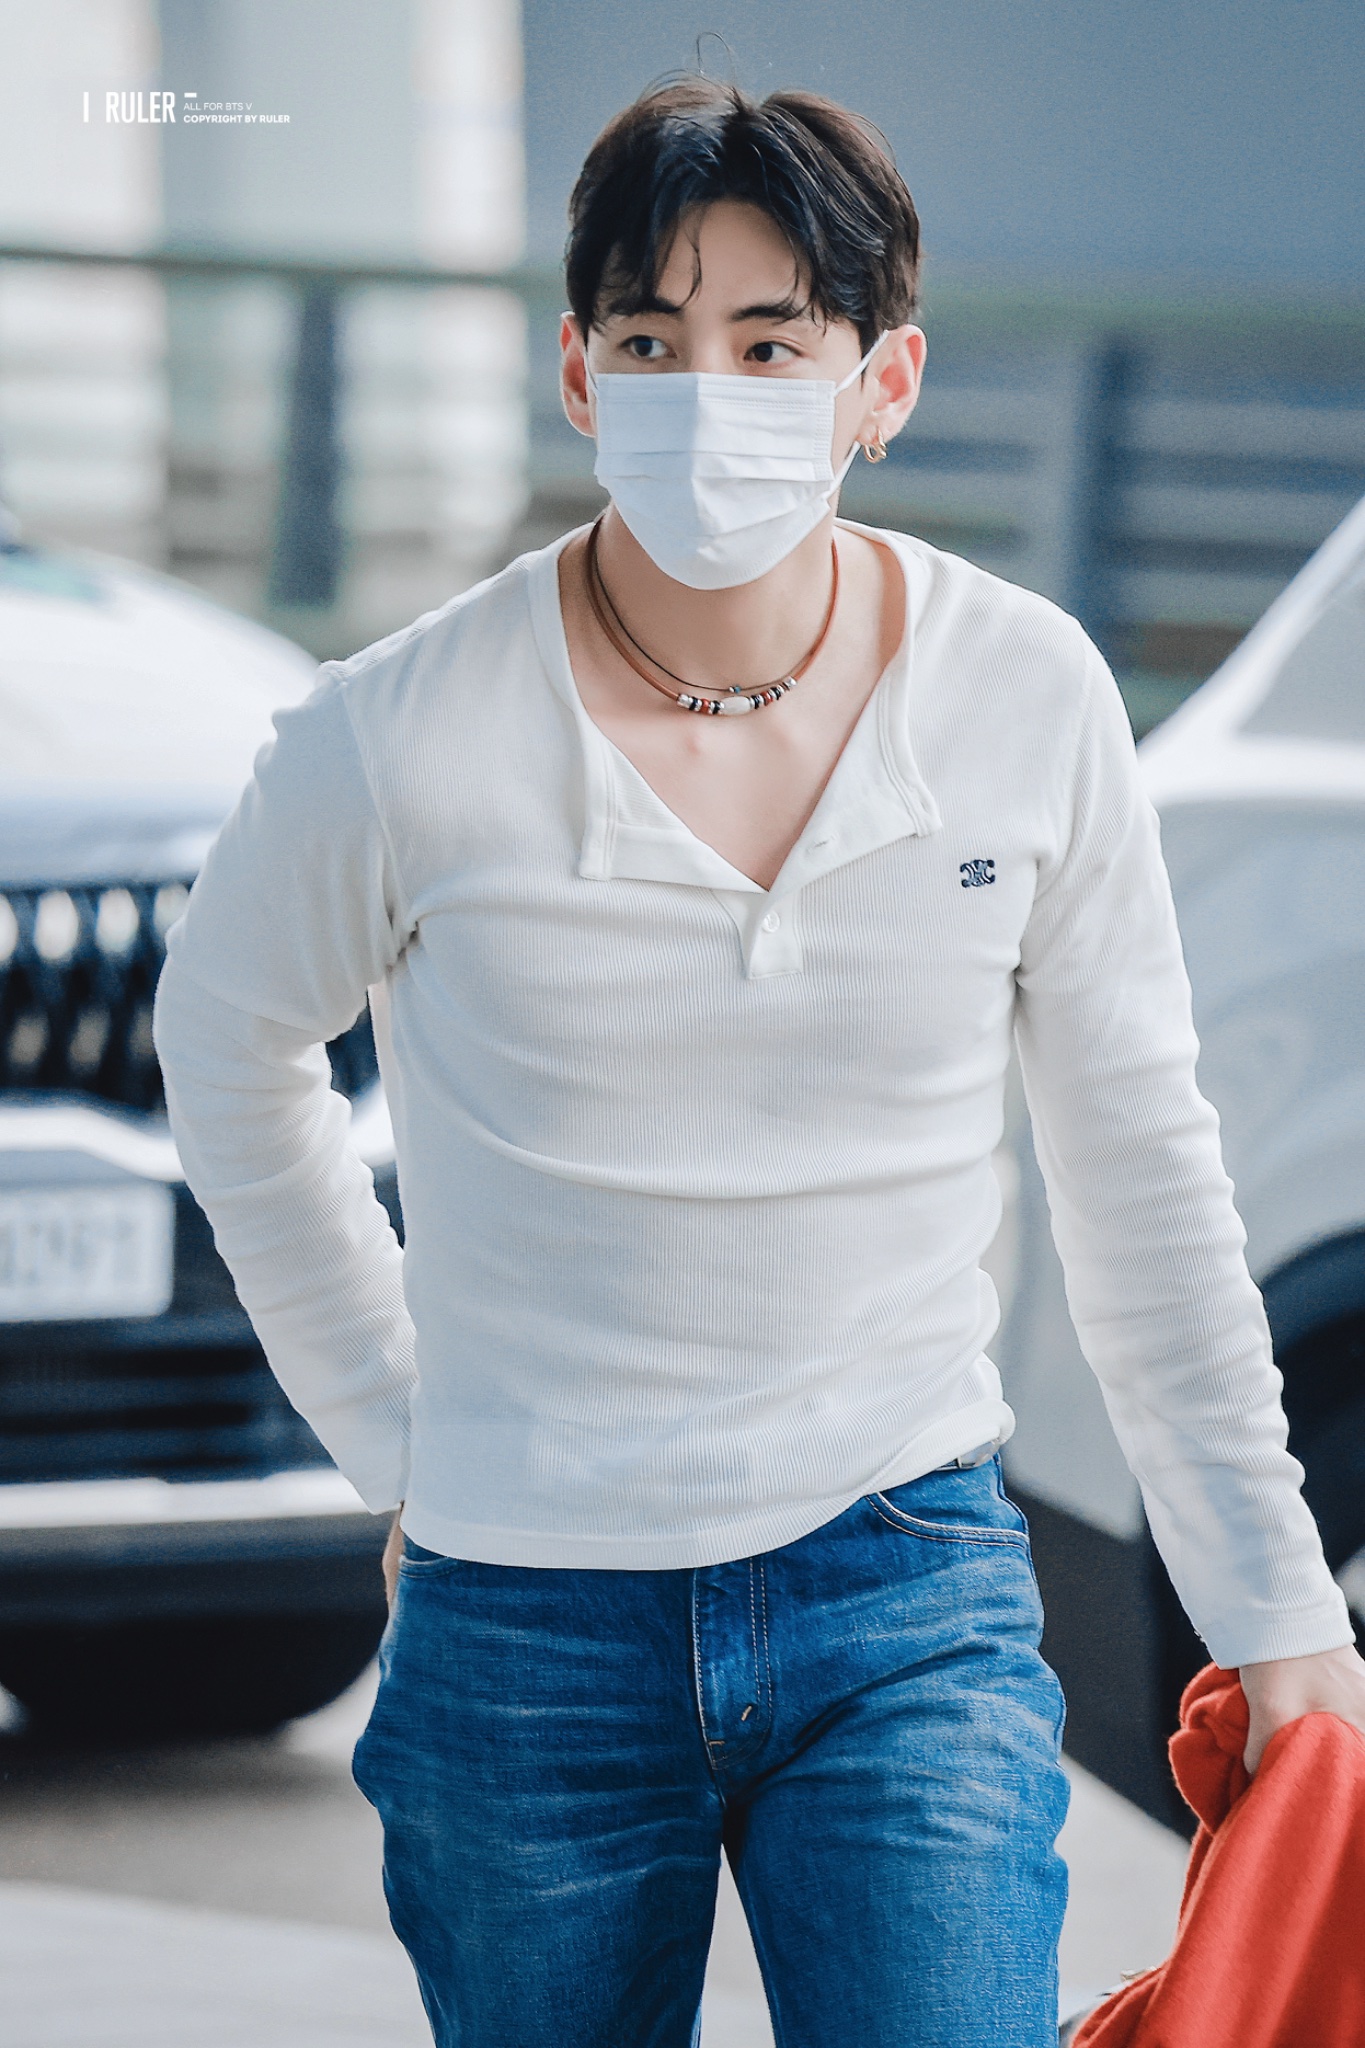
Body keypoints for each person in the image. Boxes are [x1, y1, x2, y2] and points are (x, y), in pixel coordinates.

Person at [154, 77, 1365, 2048]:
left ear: (882, 382)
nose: (701, 392)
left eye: (768, 342)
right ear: (575, 372)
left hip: (904, 1585)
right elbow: (225, 1042)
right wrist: (398, 1430)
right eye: (649, 342)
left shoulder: (1024, 696)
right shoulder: (392, 735)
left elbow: (1146, 1183)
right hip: (524, 1622)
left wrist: (1282, 1611)